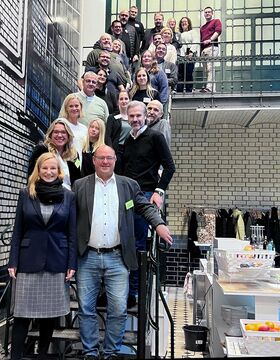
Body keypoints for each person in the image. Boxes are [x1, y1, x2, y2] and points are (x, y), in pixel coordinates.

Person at [73, 144, 172, 360]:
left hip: (118, 258)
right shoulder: (80, 186)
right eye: (101, 158)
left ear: (115, 160)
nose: (106, 162)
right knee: (86, 309)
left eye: (109, 158)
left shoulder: (128, 185)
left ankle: (109, 353)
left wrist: (159, 224)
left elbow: (145, 207)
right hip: (87, 256)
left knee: (118, 309)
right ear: (94, 161)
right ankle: (90, 352)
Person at [8, 152, 77, 360]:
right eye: (44, 168)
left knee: (49, 315)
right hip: (28, 260)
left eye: (53, 168)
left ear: (59, 172)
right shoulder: (25, 193)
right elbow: (17, 230)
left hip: (57, 260)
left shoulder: (69, 196)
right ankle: (16, 356)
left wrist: (71, 262)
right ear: (38, 171)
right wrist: (13, 261)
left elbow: (71, 232)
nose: (48, 172)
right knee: (21, 315)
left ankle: (42, 355)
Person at [122, 101, 175, 306]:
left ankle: (133, 292)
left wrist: (159, 192)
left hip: (144, 196)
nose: (135, 119)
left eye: (138, 116)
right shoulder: (128, 140)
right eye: (131, 116)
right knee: (124, 242)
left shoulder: (156, 137)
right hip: (126, 196)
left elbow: (170, 167)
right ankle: (122, 288)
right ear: (127, 117)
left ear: (146, 117)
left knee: (137, 244)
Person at [28, 119, 81, 190]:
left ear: (68, 136)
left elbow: (78, 179)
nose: (59, 135)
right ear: (50, 135)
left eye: (63, 132)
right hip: (45, 194)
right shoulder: (42, 150)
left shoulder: (74, 155)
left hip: (69, 197)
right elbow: (32, 174)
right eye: (56, 132)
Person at [105, 90, 131, 173]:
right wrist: (111, 152)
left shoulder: (134, 117)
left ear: (130, 100)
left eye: (126, 99)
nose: (124, 101)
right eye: (121, 99)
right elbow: (107, 136)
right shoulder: (112, 117)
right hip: (117, 150)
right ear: (117, 102)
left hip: (130, 150)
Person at [200, 6, 222, 93]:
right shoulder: (202, 27)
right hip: (204, 49)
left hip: (212, 46)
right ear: (204, 14)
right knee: (206, 69)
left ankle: (210, 88)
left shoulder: (216, 21)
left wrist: (210, 40)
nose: (207, 13)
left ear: (212, 13)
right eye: (206, 12)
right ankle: (208, 86)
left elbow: (218, 31)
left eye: (209, 12)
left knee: (210, 67)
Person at [177, 16, 199, 93]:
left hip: (189, 55)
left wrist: (191, 52)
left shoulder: (193, 32)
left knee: (189, 73)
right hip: (181, 56)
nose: (184, 23)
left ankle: (189, 90)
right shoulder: (179, 34)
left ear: (189, 23)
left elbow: (195, 41)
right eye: (182, 22)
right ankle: (179, 90)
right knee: (180, 74)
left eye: (185, 21)